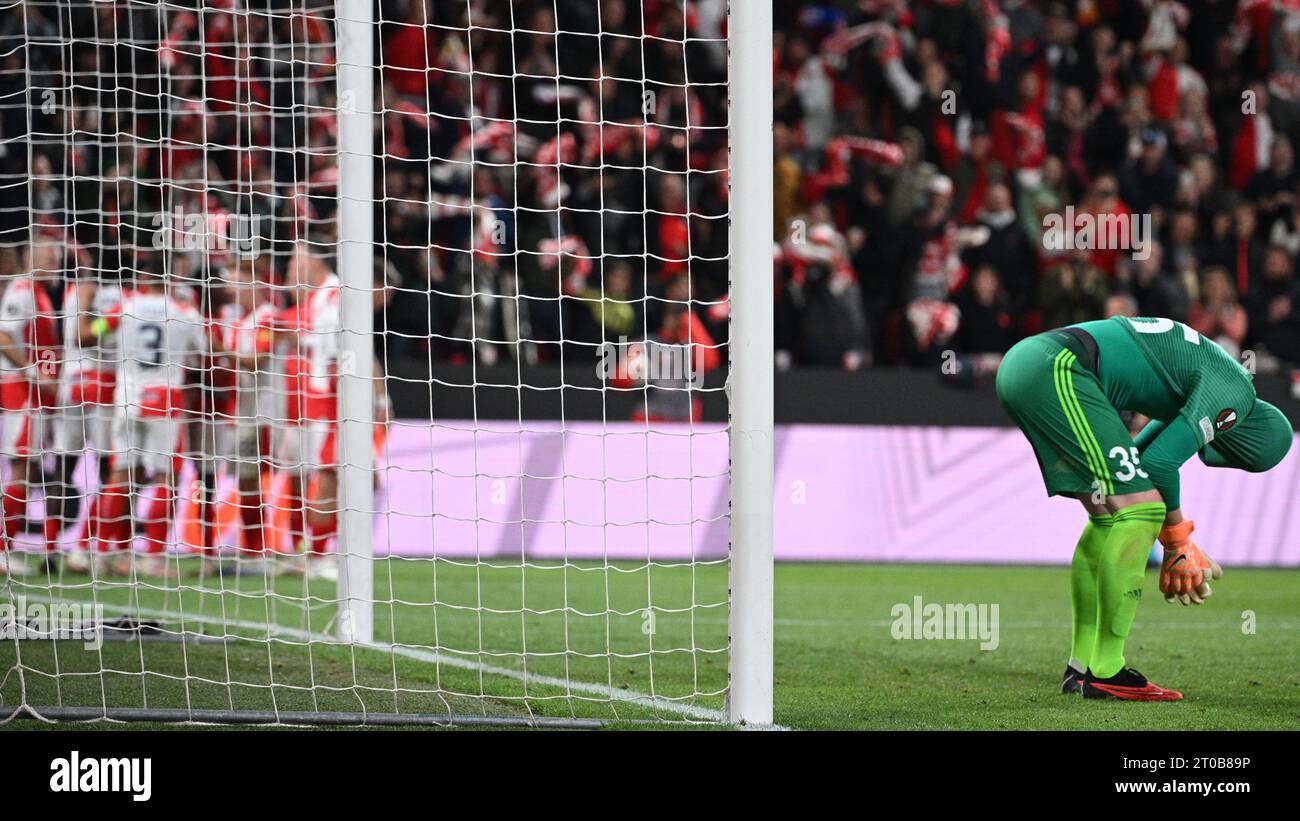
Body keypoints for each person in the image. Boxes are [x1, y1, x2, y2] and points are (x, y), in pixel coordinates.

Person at [995, 315, 1292, 700]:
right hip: (1060, 368)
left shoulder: (1223, 375)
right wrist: (1177, 542)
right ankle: (1107, 671)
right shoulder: (1234, 395)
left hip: (1031, 363)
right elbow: (1160, 465)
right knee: (1144, 511)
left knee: (1109, 516)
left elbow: (1143, 458)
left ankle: (1081, 667)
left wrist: (1175, 541)